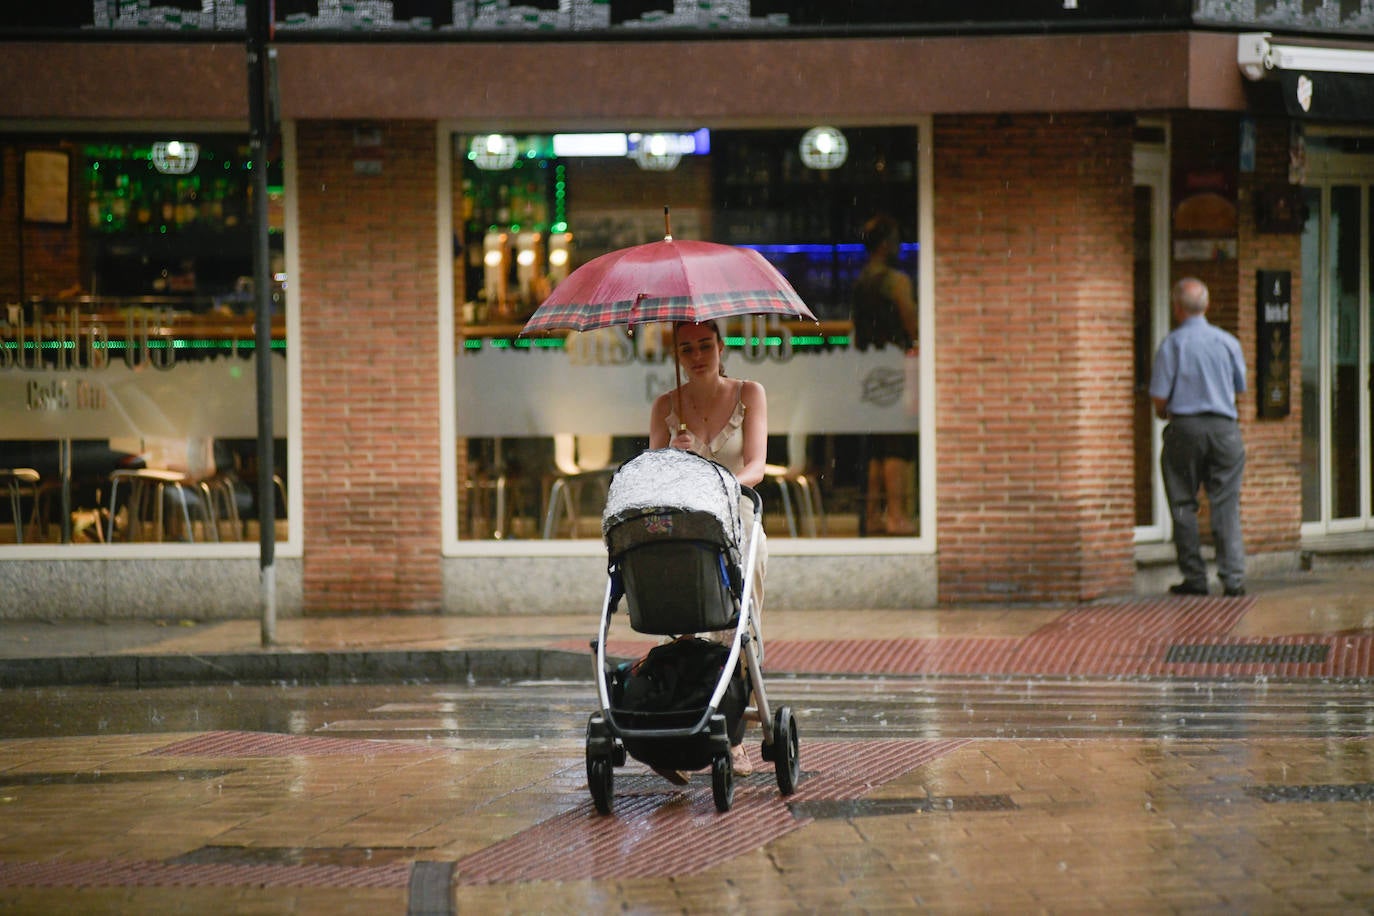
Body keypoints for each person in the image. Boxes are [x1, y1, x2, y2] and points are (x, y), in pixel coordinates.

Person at [648, 320, 767, 779]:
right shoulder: (665, 406)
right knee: (682, 617)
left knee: (735, 623)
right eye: (686, 349)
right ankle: (676, 726)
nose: (697, 356)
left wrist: (719, 483)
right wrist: (671, 457)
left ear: (720, 347)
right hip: (686, 526)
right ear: (676, 355)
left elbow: (755, 465)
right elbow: (650, 476)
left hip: (737, 519)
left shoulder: (749, 394)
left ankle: (733, 733)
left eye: (705, 346)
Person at [1149, 277, 1248, 597]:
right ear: (1206, 306)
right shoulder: (1228, 342)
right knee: (1225, 504)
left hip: (1186, 429)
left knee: (1182, 503)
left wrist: (1168, 415)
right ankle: (1233, 578)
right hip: (1225, 429)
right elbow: (1239, 390)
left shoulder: (1172, 344)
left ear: (1177, 308)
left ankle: (1194, 577)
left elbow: (1160, 400)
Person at [852, 214, 919, 535]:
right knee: (896, 442)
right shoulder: (897, 282)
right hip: (893, 368)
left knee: (877, 443)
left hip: (867, 369)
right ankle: (896, 515)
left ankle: (873, 515)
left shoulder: (861, 281)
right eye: (895, 239)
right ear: (885, 244)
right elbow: (912, 323)